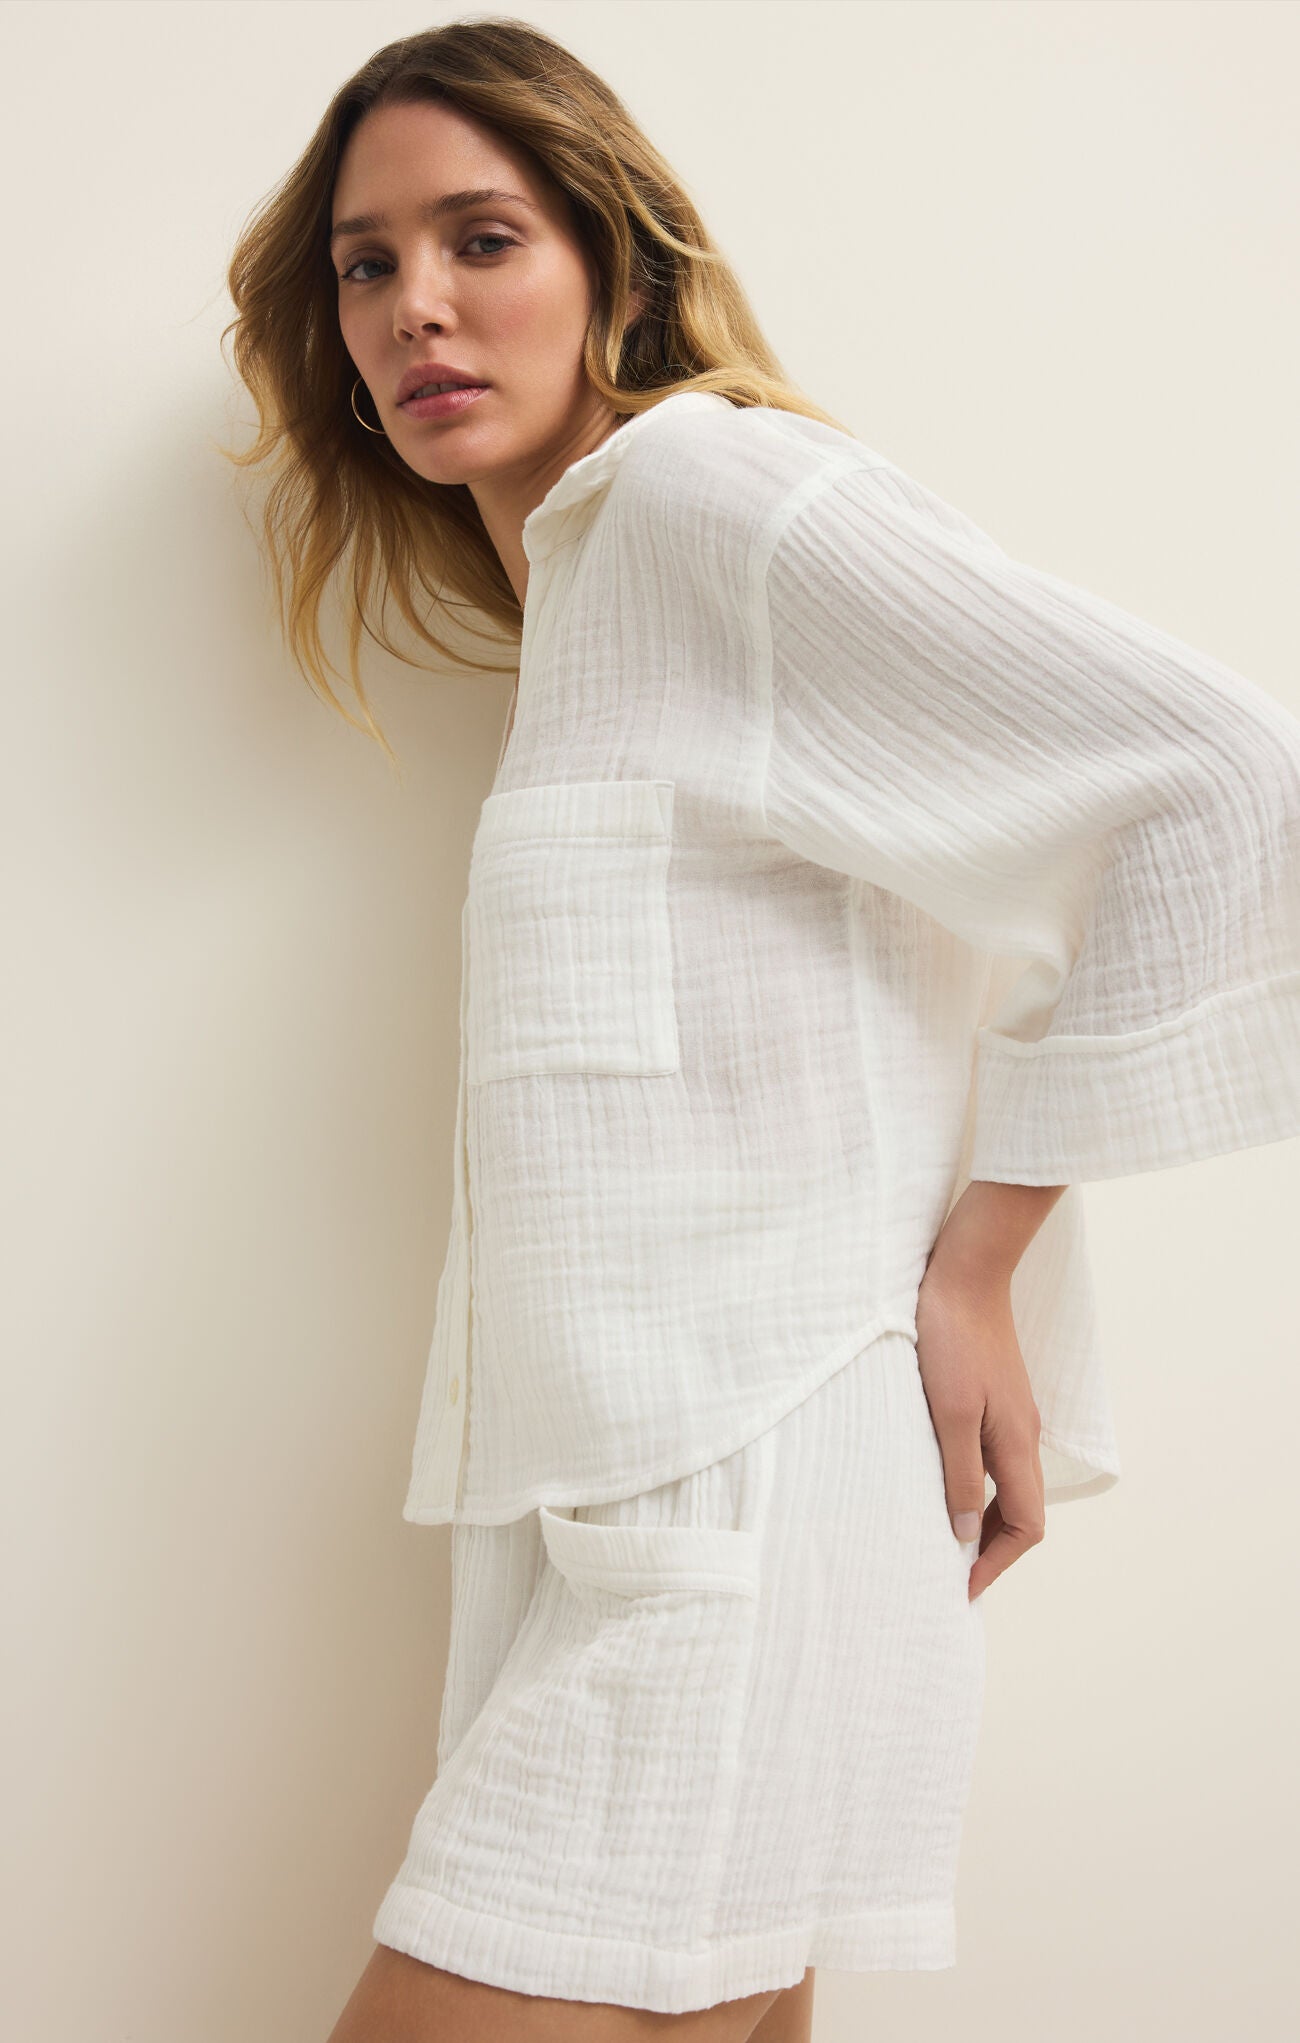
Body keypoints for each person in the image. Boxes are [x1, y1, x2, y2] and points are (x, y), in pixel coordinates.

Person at [221, 19, 1300, 2043]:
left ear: (614, 264)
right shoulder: (595, 592)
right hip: (638, 1502)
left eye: (481, 237)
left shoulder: (716, 498)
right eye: (366, 263)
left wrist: (979, 1260)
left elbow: (1224, 776)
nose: (415, 306)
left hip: (742, 1496)